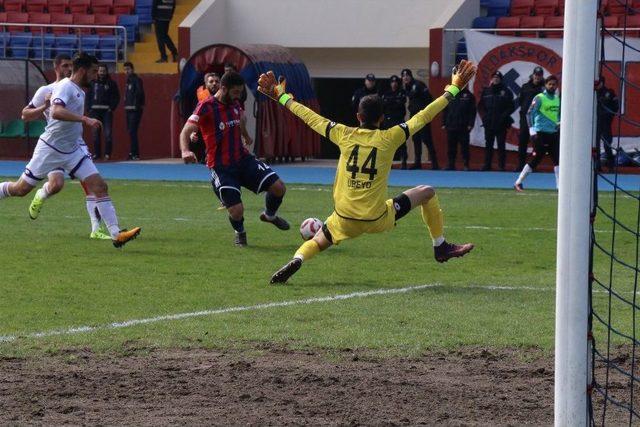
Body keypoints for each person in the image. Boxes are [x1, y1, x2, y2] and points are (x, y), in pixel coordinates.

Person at [260, 60, 477, 284]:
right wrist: (453, 88)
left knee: (320, 240)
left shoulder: (342, 134)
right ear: (381, 119)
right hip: (376, 218)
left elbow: (309, 117)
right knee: (427, 192)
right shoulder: (391, 137)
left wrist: (282, 97)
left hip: (344, 217)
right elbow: (424, 116)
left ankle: (299, 257)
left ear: (358, 117)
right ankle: (440, 245)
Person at [0, 53, 141, 247]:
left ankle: (117, 235)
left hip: (73, 149)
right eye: (92, 71)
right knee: (20, 189)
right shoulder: (65, 87)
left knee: (99, 186)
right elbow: (56, 112)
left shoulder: (79, 90)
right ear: (82, 70)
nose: (95, 75)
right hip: (50, 148)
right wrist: (84, 119)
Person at [179, 71, 288, 247]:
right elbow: (185, 130)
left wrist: (245, 135)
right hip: (221, 166)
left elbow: (240, 120)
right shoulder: (205, 106)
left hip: (243, 159)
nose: (238, 96)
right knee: (237, 211)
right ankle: (240, 232)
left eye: (240, 92)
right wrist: (185, 150)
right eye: (236, 92)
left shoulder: (235, 104)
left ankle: (269, 215)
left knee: (279, 188)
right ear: (223, 88)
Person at [20, 54, 110, 240]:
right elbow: (25, 115)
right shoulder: (47, 89)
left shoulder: (77, 88)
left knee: (92, 183)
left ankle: (97, 229)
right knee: (56, 185)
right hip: (54, 145)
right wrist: (43, 106)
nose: (69, 68)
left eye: (71, 65)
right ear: (56, 68)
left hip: (75, 144)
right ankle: (42, 194)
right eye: (65, 65)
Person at [514, 75, 561, 192]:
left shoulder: (557, 98)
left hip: (553, 134)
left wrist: (559, 122)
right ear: (545, 85)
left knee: (558, 160)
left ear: (557, 86)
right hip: (540, 133)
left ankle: (560, 187)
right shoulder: (539, 98)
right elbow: (529, 113)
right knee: (536, 159)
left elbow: (558, 115)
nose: (552, 86)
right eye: (549, 84)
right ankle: (518, 182)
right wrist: (532, 129)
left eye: (554, 84)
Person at [477, 71, 515, 171]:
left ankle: (501, 166)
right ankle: (487, 165)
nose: (496, 79)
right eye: (494, 77)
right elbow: (481, 106)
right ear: (491, 79)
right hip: (489, 122)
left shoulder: (506, 91)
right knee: (488, 145)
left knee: (501, 145)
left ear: (501, 79)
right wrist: (485, 117)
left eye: (498, 77)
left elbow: (511, 107)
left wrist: (503, 116)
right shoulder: (486, 91)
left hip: (501, 123)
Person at [402, 68, 439, 170]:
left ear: (411, 76)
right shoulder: (407, 87)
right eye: (403, 76)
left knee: (427, 139)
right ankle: (417, 162)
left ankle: (435, 164)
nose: (405, 77)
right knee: (416, 139)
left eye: (407, 75)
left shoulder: (418, 84)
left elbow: (429, 98)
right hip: (414, 117)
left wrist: (425, 112)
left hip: (422, 116)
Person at [515, 66, 545, 171]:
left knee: (536, 144)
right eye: (536, 75)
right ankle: (520, 165)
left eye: (540, 75)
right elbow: (521, 101)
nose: (537, 77)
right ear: (533, 75)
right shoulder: (525, 87)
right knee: (522, 142)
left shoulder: (544, 88)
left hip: (537, 120)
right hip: (525, 119)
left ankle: (533, 166)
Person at [88, 64, 120, 160]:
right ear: (98, 72)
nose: (102, 73)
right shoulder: (92, 83)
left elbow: (116, 97)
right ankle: (97, 154)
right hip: (94, 112)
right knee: (95, 134)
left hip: (107, 112)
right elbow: (88, 96)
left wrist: (111, 108)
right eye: (100, 71)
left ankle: (107, 154)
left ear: (106, 72)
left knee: (108, 134)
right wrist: (88, 109)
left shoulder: (111, 83)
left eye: (103, 71)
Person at [442, 87, 476, 171]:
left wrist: (471, 124)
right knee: (451, 147)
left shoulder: (469, 95)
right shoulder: (449, 94)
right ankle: (451, 164)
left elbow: (472, 111)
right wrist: (443, 123)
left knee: (464, 147)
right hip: (451, 125)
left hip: (463, 126)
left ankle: (466, 165)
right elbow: (445, 110)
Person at [382, 75, 408, 169]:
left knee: (401, 142)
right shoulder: (386, 93)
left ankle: (404, 162)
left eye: (396, 82)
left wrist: (391, 102)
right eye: (392, 82)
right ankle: (388, 162)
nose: (394, 84)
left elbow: (401, 103)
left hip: (399, 120)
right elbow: (384, 105)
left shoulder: (402, 92)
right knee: (388, 143)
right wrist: (394, 101)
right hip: (388, 121)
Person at [595, 76, 619, 171]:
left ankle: (611, 167)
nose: (597, 85)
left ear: (602, 82)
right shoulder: (592, 93)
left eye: (599, 83)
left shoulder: (609, 93)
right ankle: (597, 167)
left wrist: (608, 115)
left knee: (607, 145)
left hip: (606, 122)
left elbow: (615, 107)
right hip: (595, 123)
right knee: (595, 146)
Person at [123, 61, 145, 161]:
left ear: (132, 69)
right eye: (125, 69)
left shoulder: (137, 80)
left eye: (128, 69)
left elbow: (140, 93)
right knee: (131, 131)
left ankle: (135, 153)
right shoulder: (128, 81)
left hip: (134, 109)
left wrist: (136, 105)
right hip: (128, 109)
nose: (126, 71)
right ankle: (133, 152)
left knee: (133, 131)